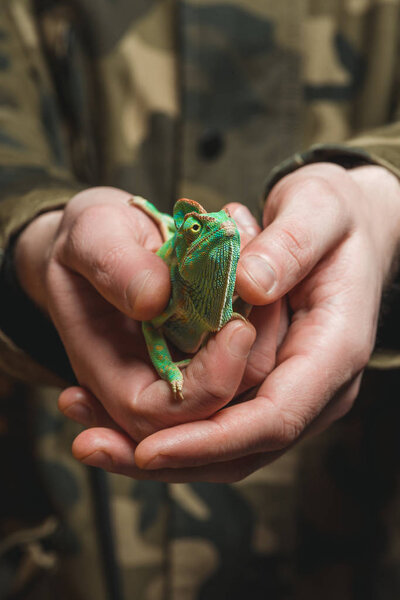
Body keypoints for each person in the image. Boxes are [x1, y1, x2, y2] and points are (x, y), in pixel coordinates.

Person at [0, 1, 399, 599]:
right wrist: (32, 236)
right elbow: (158, 327)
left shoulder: (215, 259)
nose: (213, 236)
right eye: (193, 233)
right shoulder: (179, 277)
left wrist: (382, 199)